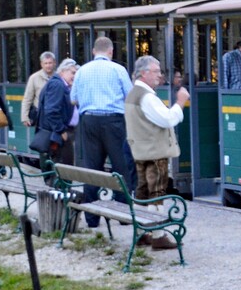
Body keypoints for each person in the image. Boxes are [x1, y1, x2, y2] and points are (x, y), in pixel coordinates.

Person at [124, 55, 189, 250]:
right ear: (144, 73)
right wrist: (180, 102)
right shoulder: (147, 97)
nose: (160, 76)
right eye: (156, 72)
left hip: (141, 152)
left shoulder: (133, 93)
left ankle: (142, 233)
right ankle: (159, 236)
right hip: (155, 153)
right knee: (157, 193)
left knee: (143, 193)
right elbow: (167, 119)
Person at [73, 36, 137, 227]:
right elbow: (130, 96)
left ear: (94, 52)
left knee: (93, 168)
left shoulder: (82, 70)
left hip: (89, 120)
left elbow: (73, 98)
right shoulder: (118, 69)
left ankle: (92, 218)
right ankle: (123, 214)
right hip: (113, 121)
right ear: (111, 52)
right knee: (120, 167)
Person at [37, 59, 79, 170]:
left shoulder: (60, 84)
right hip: (59, 133)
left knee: (63, 164)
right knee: (63, 165)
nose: (75, 76)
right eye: (73, 73)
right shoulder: (57, 85)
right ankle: (61, 187)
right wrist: (61, 130)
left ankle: (60, 187)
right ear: (63, 71)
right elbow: (51, 111)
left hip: (61, 132)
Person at [22, 51, 57, 128]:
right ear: (41, 64)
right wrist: (24, 117)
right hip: (40, 115)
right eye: (46, 63)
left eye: (50, 63)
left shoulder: (59, 77)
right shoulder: (34, 78)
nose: (48, 66)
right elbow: (27, 98)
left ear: (54, 63)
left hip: (56, 115)